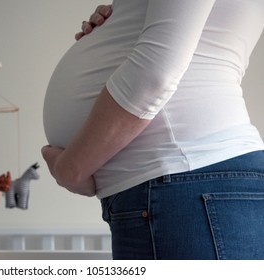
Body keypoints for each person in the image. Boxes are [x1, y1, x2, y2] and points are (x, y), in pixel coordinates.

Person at [42, 0, 264, 260]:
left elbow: (157, 72)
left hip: (183, 177)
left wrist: (72, 167)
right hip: (183, 179)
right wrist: (120, 21)